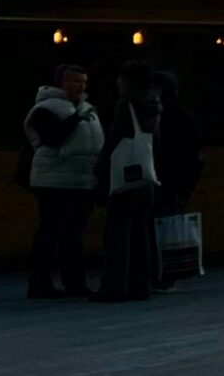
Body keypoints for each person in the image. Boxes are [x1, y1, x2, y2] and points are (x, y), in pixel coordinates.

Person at [24, 62, 104, 299]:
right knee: (51, 233)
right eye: (74, 80)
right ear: (60, 82)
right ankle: (40, 282)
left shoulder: (88, 109)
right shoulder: (46, 108)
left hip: (81, 180)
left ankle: (74, 282)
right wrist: (75, 119)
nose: (79, 86)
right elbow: (53, 138)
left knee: (74, 235)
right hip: (53, 180)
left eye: (83, 81)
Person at [93, 60, 162, 302]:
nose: (117, 82)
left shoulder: (126, 105)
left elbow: (114, 140)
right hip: (146, 176)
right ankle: (141, 285)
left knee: (118, 234)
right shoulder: (154, 103)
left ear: (128, 81)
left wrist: (100, 166)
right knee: (141, 234)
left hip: (124, 178)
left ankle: (114, 286)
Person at [149, 69, 203, 289]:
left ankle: (157, 272)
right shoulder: (187, 118)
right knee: (169, 227)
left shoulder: (156, 117)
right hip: (177, 180)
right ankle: (167, 273)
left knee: (153, 227)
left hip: (161, 177)